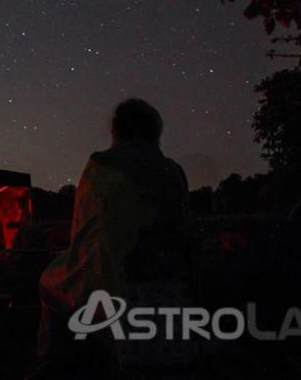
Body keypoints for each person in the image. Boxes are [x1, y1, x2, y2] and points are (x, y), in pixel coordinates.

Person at [35, 99, 192, 366]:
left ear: (116, 131)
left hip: (113, 280)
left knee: (50, 283)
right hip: (171, 279)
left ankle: (48, 365)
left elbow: (87, 232)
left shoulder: (101, 167)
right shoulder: (173, 172)